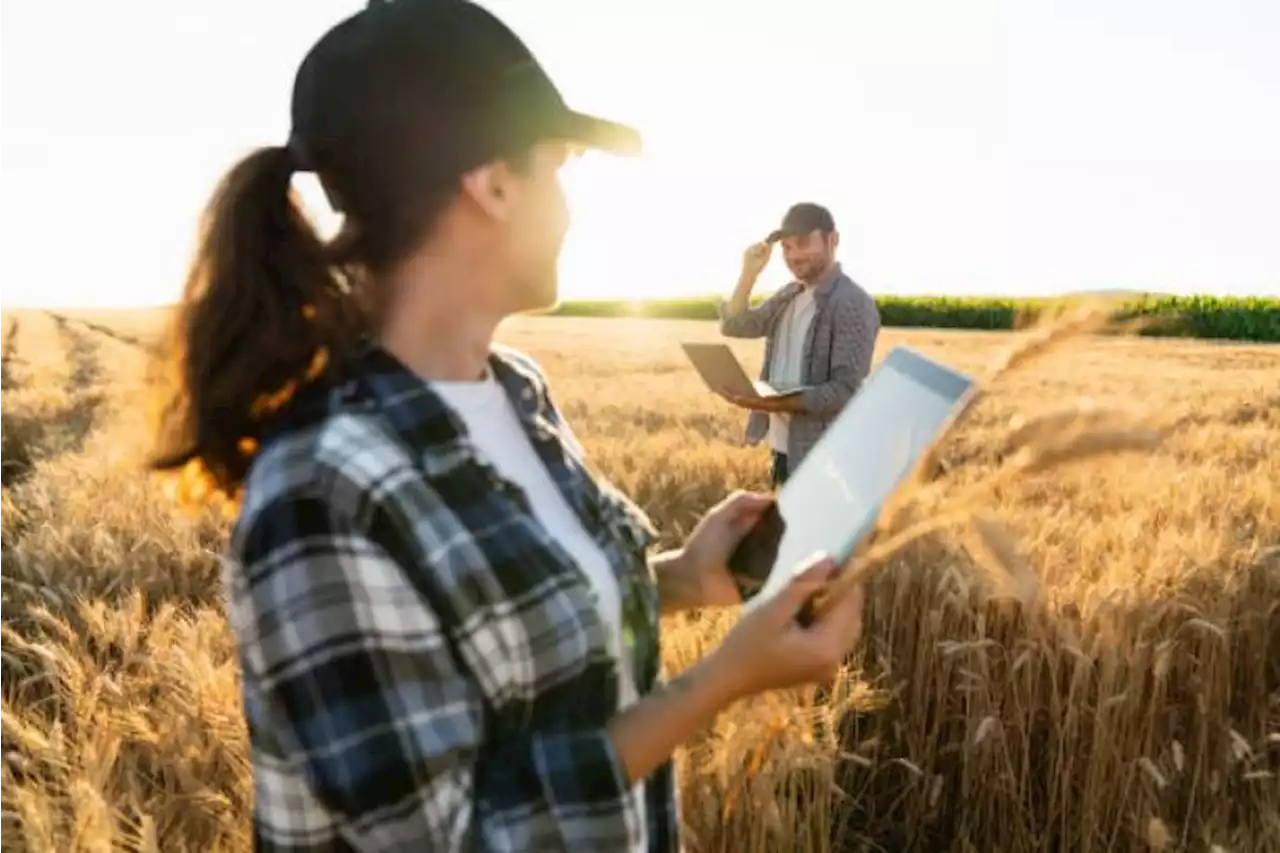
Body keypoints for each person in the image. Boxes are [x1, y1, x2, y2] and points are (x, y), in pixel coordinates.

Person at [147, 2, 867, 851]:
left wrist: (675, 579)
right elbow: (447, 835)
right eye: (557, 167)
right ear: (490, 181)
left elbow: (512, 638)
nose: (568, 209)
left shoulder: (516, 390)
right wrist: (722, 680)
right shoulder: (321, 489)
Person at [717, 203, 881, 487]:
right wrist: (749, 274)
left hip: (824, 455)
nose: (793, 256)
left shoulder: (851, 303)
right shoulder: (790, 294)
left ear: (833, 240)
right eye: (786, 248)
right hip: (783, 448)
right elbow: (737, 325)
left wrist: (770, 402)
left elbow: (844, 391)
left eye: (802, 244)